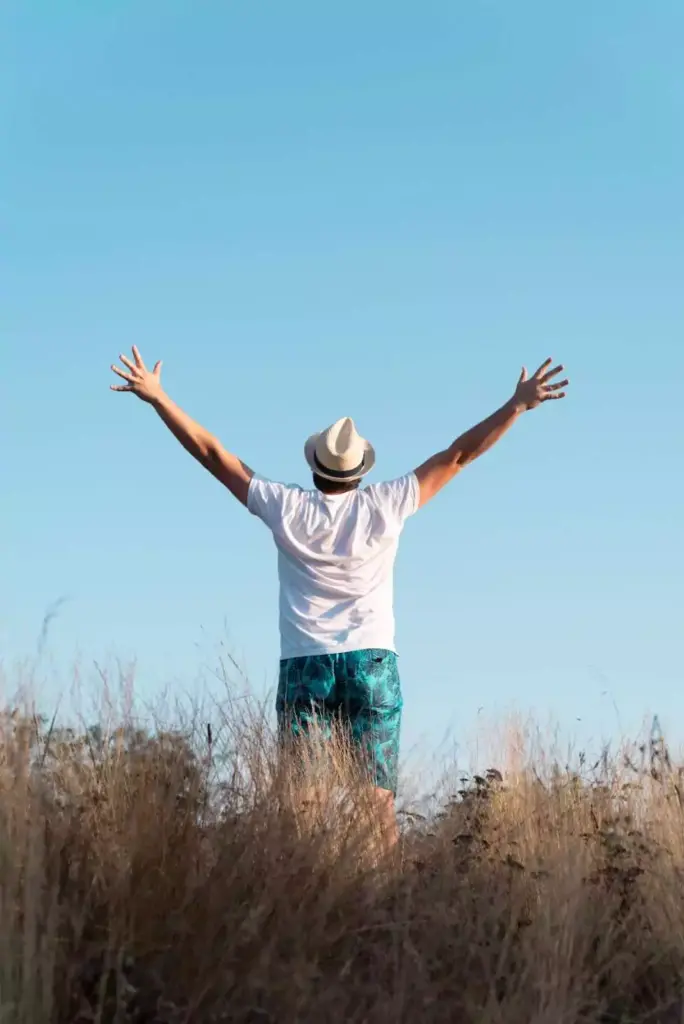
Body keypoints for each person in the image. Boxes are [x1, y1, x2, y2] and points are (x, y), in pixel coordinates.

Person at [110, 347, 568, 843]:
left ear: (315, 470)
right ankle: (387, 906)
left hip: (307, 665)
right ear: (360, 472)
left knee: (302, 809)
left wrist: (159, 398)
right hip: (372, 664)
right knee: (377, 810)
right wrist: (516, 405)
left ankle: (313, 908)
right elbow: (459, 454)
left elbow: (213, 455)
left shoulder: (287, 508)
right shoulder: (386, 505)